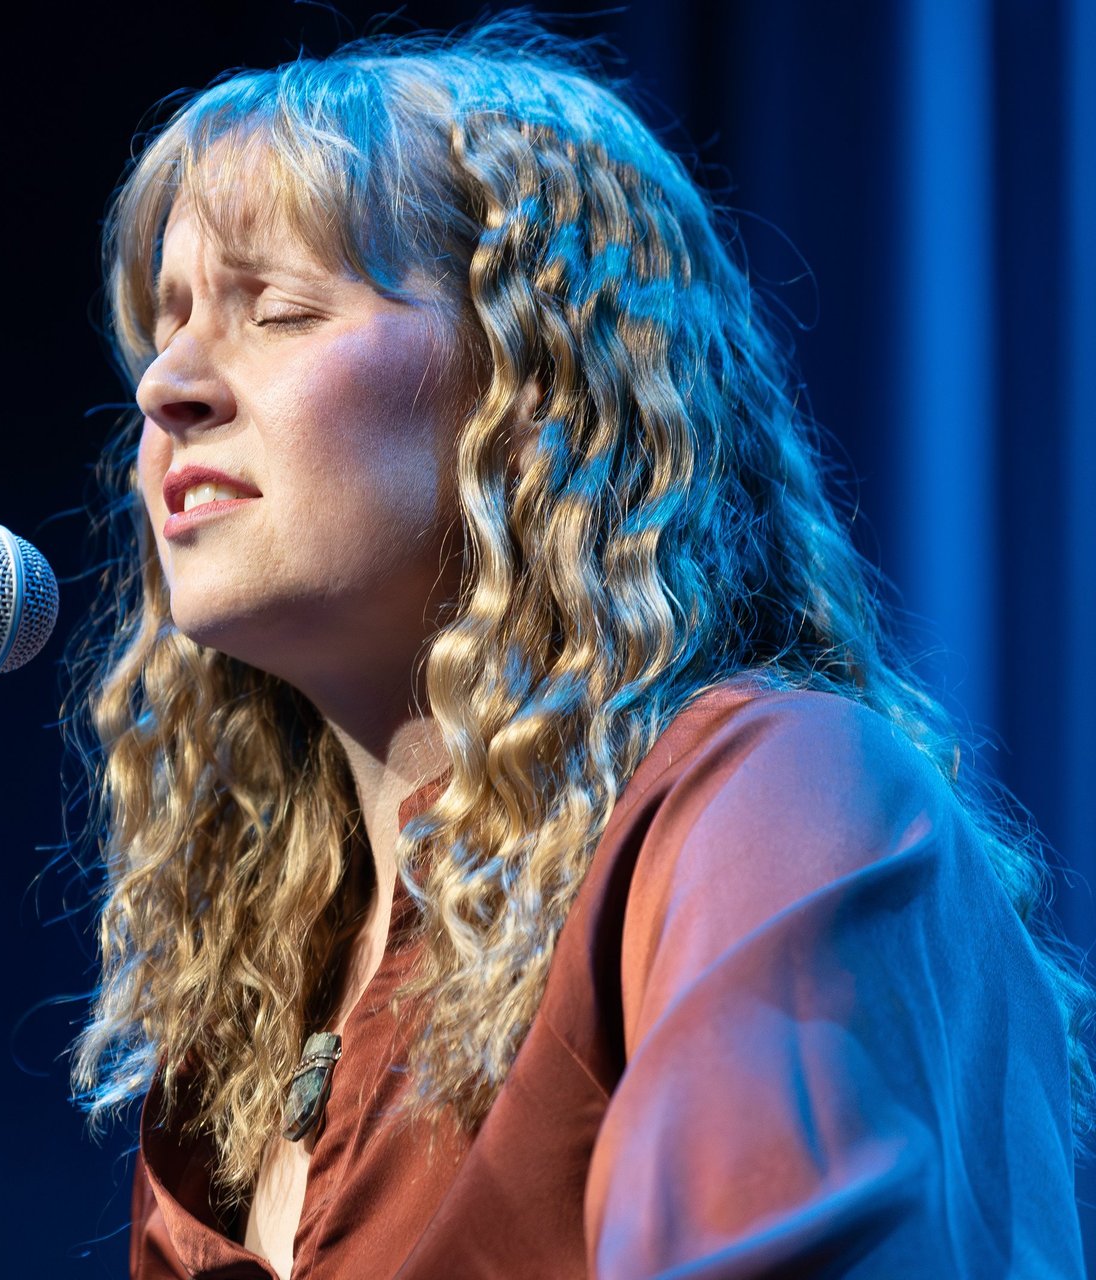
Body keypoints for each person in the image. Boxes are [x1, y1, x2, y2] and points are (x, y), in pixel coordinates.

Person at [62, 13, 1092, 1280]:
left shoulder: (769, 801)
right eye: (162, 329)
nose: (168, 383)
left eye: (273, 308)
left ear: (528, 391)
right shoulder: (236, 1041)